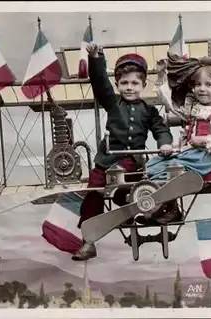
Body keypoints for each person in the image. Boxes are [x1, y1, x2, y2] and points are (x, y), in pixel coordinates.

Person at [70, 43, 174, 261]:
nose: (129, 87)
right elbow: (100, 84)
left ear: (143, 85)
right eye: (124, 83)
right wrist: (97, 58)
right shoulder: (112, 103)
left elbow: (160, 129)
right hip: (106, 160)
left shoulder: (149, 110)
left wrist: (165, 143)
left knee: (129, 188)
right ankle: (88, 241)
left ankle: (131, 211)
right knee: (94, 194)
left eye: (135, 83)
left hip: (130, 163)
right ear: (117, 85)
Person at [134, 50, 211, 226]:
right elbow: (169, 103)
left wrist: (204, 141)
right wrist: (161, 74)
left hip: (209, 159)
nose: (202, 89)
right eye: (198, 85)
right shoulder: (195, 110)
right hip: (192, 155)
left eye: (209, 85)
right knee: (154, 164)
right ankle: (156, 206)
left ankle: (168, 209)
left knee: (173, 170)